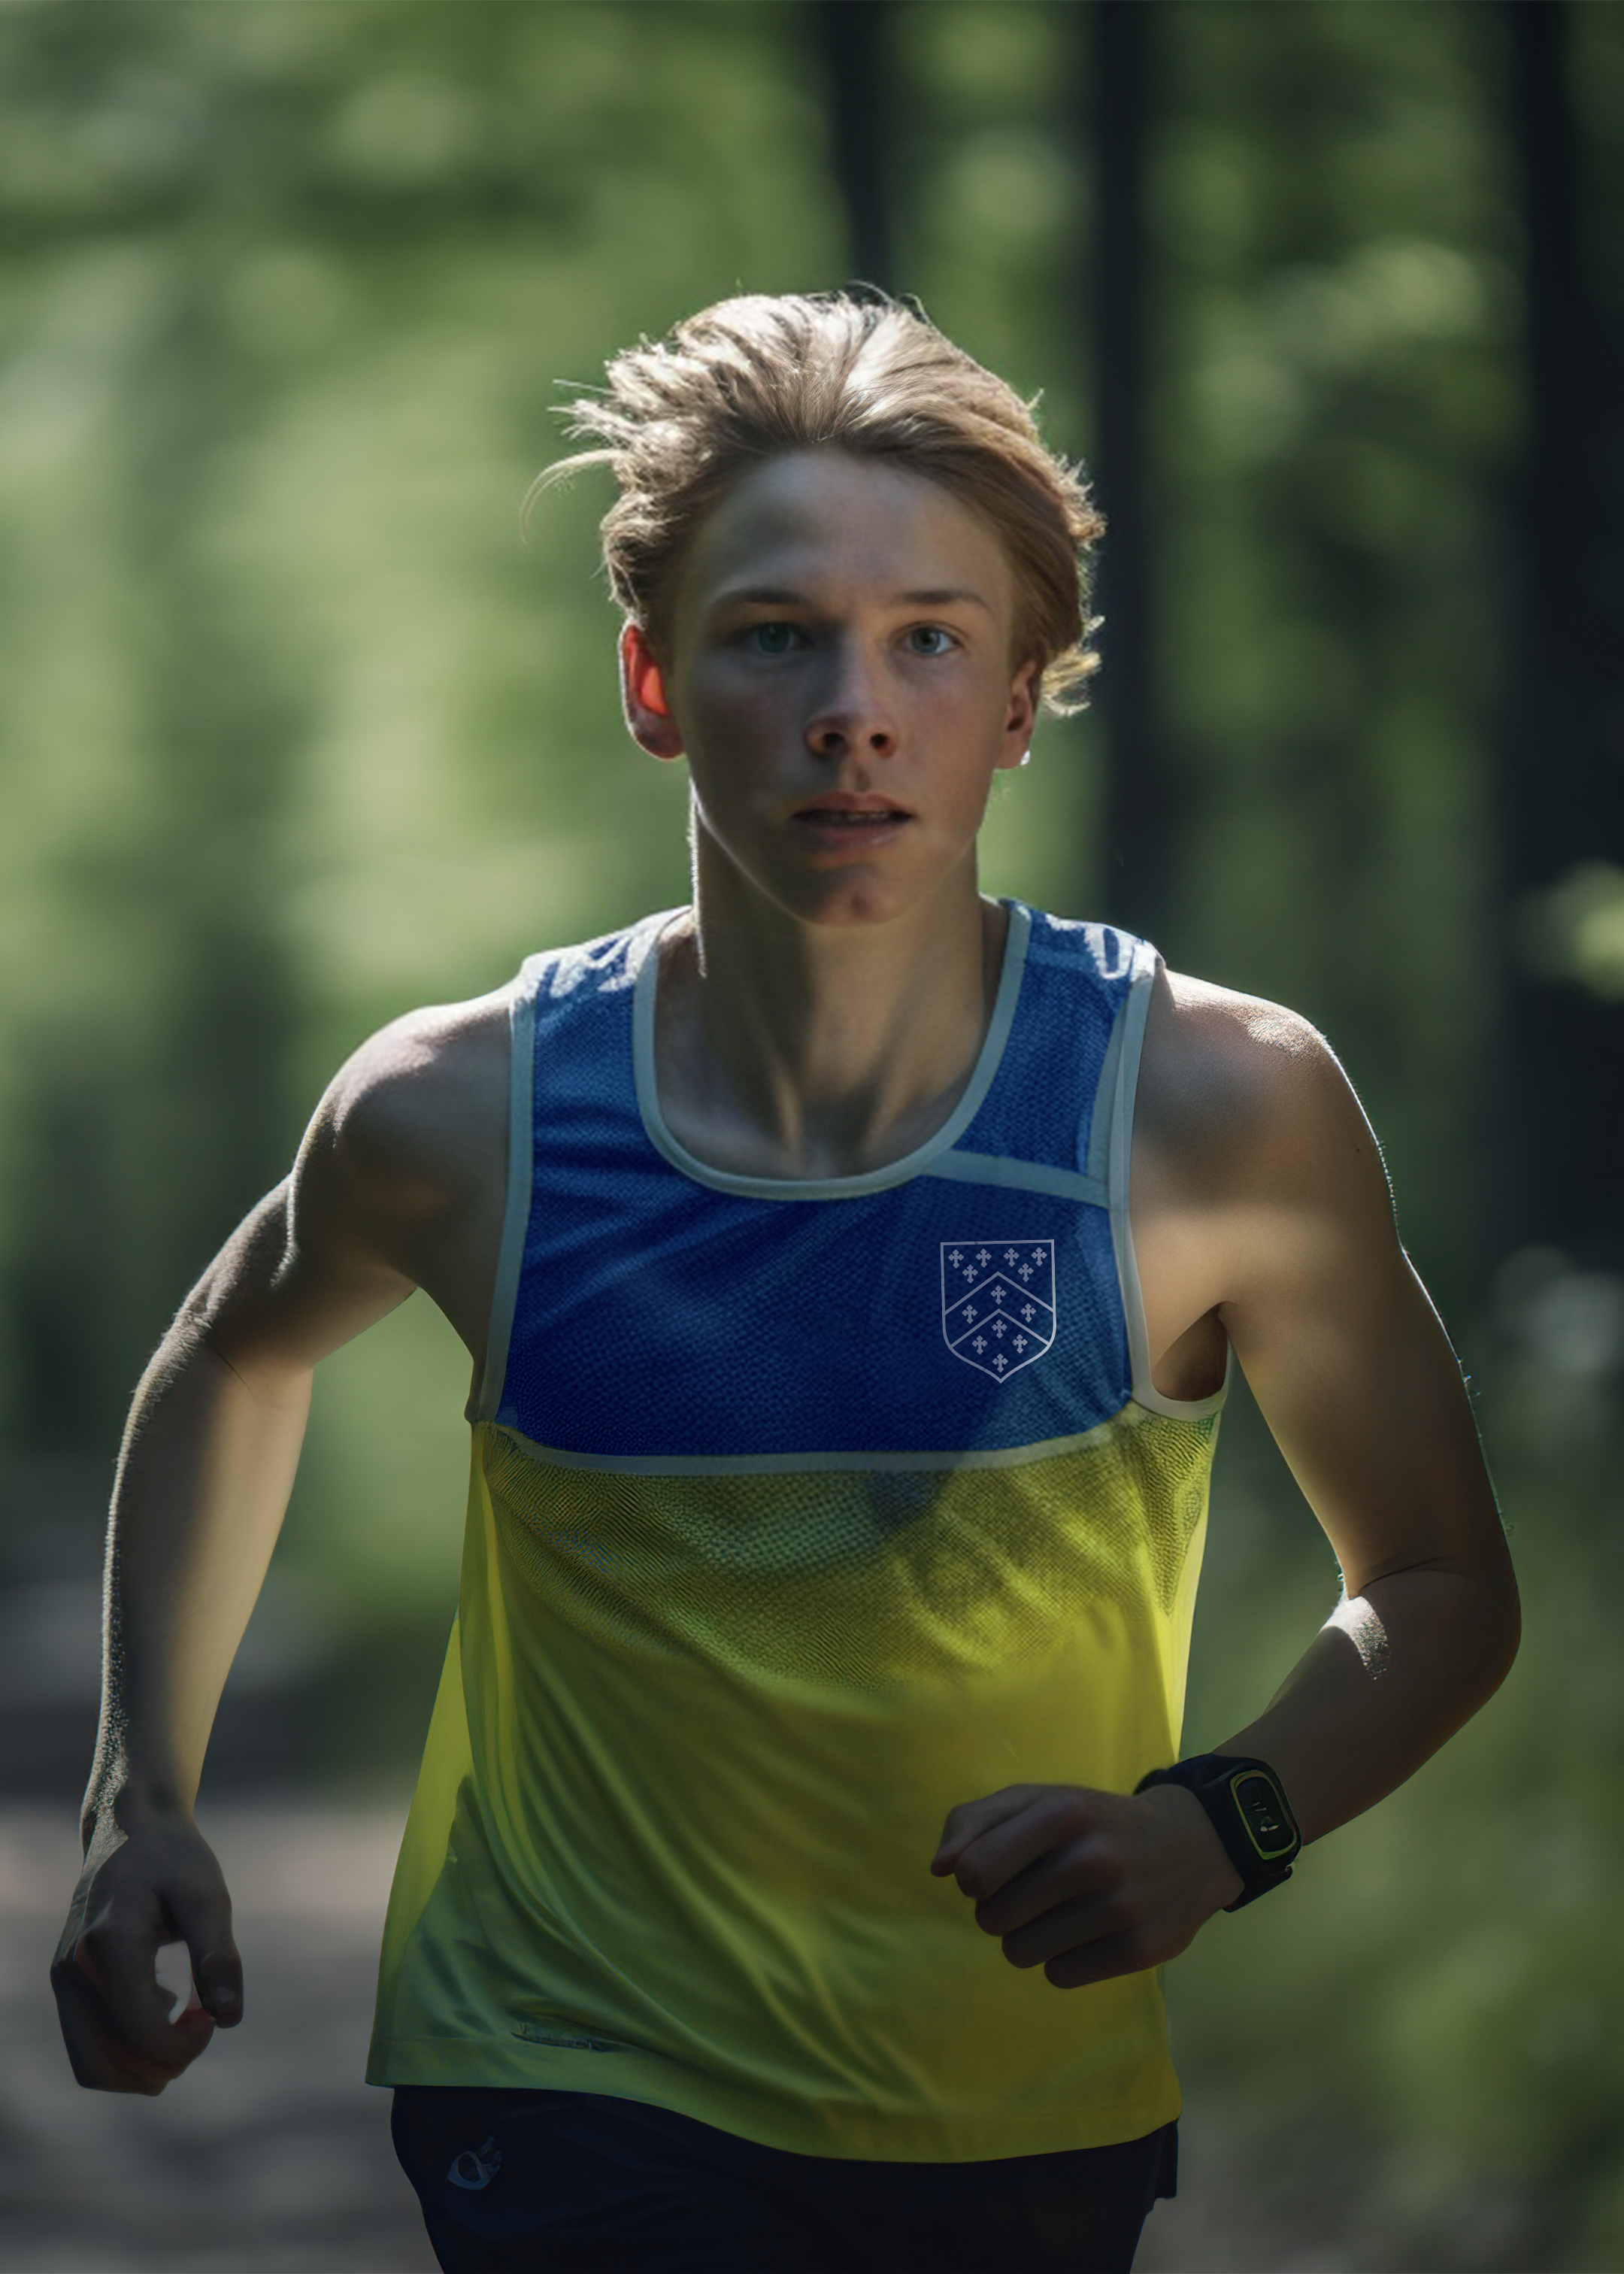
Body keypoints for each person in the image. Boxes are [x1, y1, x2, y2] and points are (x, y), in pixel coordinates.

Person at [52, 291, 1519, 2274]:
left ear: (1016, 701)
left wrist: (1212, 1826)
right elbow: (229, 1359)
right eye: (777, 638)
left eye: (930, 639)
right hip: (561, 2074)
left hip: (1017, 2103)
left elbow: (1437, 1587)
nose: (857, 708)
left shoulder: (1207, 1107)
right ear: (656, 682)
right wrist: (143, 1799)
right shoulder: (458, 1112)